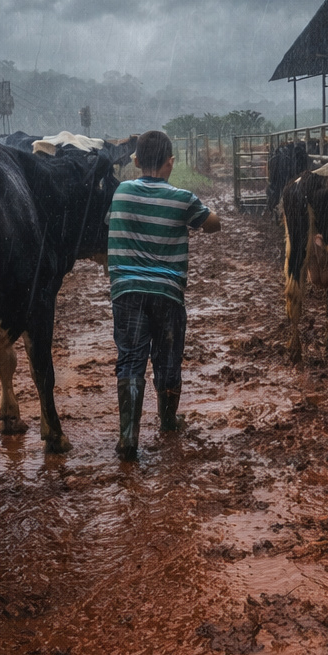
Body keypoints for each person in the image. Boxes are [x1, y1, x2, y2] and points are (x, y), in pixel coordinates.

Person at [107, 129, 221, 460]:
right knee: (168, 358)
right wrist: (196, 218)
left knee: (130, 358)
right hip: (167, 294)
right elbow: (214, 223)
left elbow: (110, 223)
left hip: (127, 292)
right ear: (171, 163)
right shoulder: (183, 199)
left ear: (136, 162)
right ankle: (168, 421)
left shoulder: (121, 193)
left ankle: (128, 436)